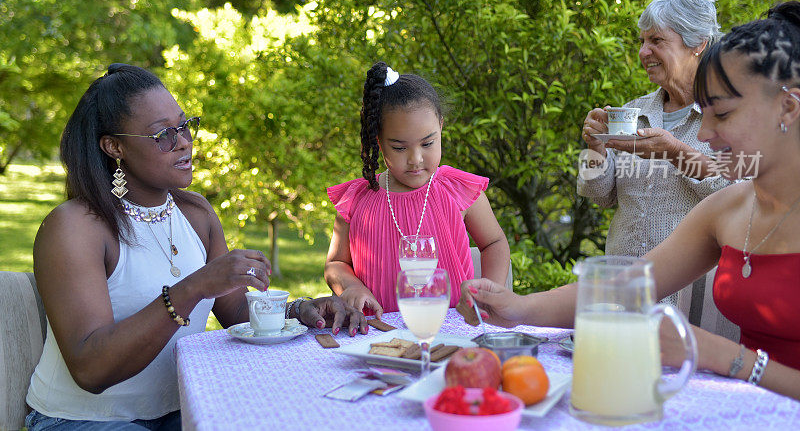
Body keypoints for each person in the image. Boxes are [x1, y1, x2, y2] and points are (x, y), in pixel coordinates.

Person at [459, 1, 800, 401]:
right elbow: (625, 286)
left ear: (788, 108)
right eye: (703, 113)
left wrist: (721, 355)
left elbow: (725, 357)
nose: (705, 132)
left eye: (722, 114)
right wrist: (518, 307)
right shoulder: (729, 208)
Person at [25, 64, 367, 430]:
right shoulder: (75, 227)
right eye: (163, 135)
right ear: (114, 146)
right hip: (80, 419)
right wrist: (194, 287)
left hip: (179, 410)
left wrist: (301, 310)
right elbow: (90, 370)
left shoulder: (196, 213)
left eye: (184, 126)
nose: (185, 141)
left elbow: (236, 311)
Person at [578, 0, 737, 339]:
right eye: (641, 41)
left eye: (656, 41)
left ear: (697, 44)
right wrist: (595, 149)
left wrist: (675, 152)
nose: (643, 52)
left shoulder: (728, 113)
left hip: (694, 301)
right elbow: (599, 193)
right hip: (625, 290)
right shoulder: (637, 111)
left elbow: (740, 193)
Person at [324, 61, 511, 318]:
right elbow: (336, 263)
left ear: (441, 127)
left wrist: (492, 292)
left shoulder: (457, 190)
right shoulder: (357, 200)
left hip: (452, 329)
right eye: (400, 148)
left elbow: (494, 242)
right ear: (378, 141)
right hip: (379, 335)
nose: (416, 159)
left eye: (428, 143)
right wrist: (352, 286)